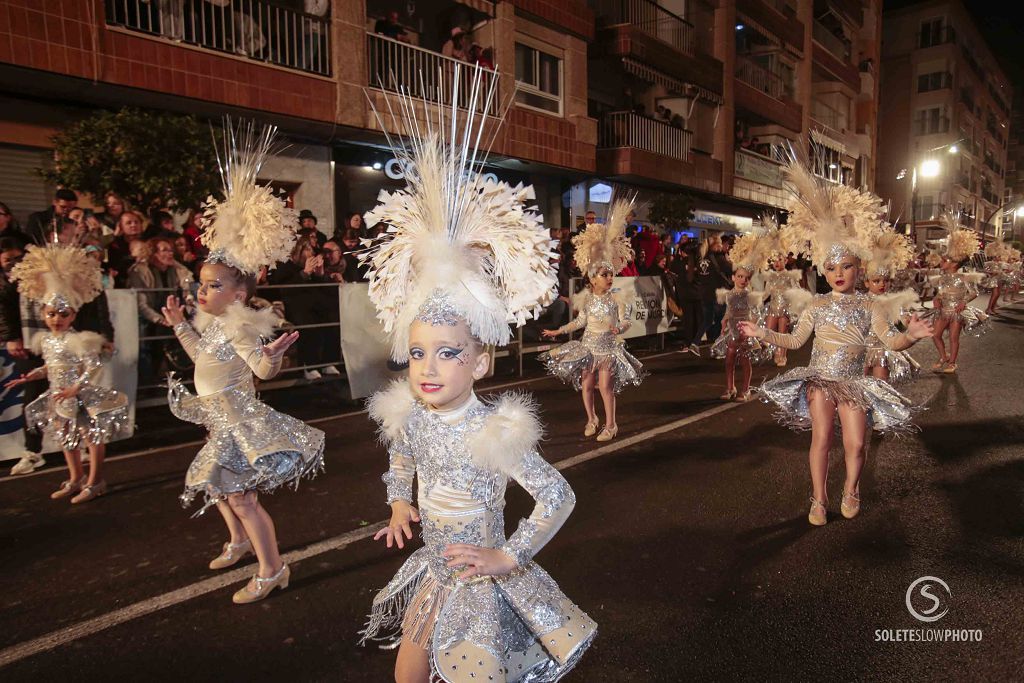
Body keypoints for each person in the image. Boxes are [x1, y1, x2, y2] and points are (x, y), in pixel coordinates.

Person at [358, 76, 594, 682]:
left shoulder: (495, 429)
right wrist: (396, 503)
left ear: (480, 361)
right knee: (406, 675)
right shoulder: (411, 417)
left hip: (477, 579)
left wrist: (507, 554)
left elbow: (557, 495)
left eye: (446, 353)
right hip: (433, 570)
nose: (428, 368)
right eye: (417, 353)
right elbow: (403, 461)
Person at [161, 123, 324, 605]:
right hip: (217, 416)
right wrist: (179, 326)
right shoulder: (213, 324)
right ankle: (236, 542)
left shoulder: (239, 324)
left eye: (212, 286)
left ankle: (272, 568)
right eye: (201, 283)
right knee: (222, 489)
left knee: (242, 497)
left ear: (240, 293)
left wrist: (271, 358)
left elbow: (261, 371)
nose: (201, 292)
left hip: (236, 420)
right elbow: (201, 361)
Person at [739, 159, 933, 526]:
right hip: (820, 382)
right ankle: (818, 498)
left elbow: (890, 342)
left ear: (858, 268)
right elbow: (795, 339)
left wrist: (910, 335)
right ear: (822, 271)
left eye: (846, 266)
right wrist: (762, 332)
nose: (839, 274)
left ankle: (851, 489)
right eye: (831, 268)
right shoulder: (817, 304)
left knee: (857, 444)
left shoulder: (870, 304)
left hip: (854, 384)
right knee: (822, 440)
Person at [6, 243, 129, 503]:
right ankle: (75, 478)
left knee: (90, 437)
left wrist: (77, 387)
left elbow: (93, 366)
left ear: (73, 315)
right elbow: (51, 367)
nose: (57, 319)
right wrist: (32, 375)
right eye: (51, 314)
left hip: (79, 396)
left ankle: (95, 481)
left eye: (63, 314)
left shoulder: (81, 340)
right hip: (58, 396)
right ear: (43, 314)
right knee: (66, 438)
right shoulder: (46, 341)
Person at [541, 198, 645, 442]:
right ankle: (591, 419)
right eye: (604, 275)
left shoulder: (617, 299)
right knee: (586, 386)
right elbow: (580, 323)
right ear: (592, 279)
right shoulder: (586, 298)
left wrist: (618, 327)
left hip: (608, 348)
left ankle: (611, 425)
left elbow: (626, 322)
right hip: (587, 347)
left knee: (605, 387)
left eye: (610, 274)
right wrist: (559, 332)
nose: (609, 278)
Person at [267, 235, 341, 380]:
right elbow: (284, 290)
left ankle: (327, 362)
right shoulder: (285, 266)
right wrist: (305, 273)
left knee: (332, 318)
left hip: (316, 304)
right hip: (295, 306)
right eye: (307, 248)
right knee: (308, 322)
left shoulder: (311, 266)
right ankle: (309, 365)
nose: (311, 252)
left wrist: (320, 274)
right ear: (298, 251)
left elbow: (323, 290)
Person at [710, 231, 770, 401]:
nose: (743, 280)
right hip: (732, 331)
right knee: (728, 362)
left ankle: (746, 389)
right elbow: (729, 311)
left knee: (744, 361)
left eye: (746, 278)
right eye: (740, 276)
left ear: (749, 280)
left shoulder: (749, 295)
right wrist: (723, 322)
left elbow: (756, 314)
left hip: (744, 333)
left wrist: (749, 328)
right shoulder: (729, 295)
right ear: (733, 277)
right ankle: (730, 388)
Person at [128, 237, 194, 383]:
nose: (170, 254)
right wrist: (160, 320)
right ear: (153, 253)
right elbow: (142, 304)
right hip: (151, 317)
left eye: (171, 250)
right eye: (164, 250)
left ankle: (182, 376)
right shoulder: (139, 271)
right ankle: (149, 381)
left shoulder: (175, 269)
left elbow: (186, 279)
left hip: (173, 315)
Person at [929, 215, 988, 374]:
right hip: (943, 311)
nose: (942, 262)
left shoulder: (964, 277)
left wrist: (964, 302)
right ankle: (943, 356)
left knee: (954, 338)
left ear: (954, 263)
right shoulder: (941, 278)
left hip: (957, 312)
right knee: (935, 335)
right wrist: (936, 299)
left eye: (945, 260)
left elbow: (975, 292)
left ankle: (952, 362)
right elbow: (940, 294)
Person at [862, 230, 921, 384]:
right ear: (867, 282)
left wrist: (908, 321)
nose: (882, 284)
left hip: (883, 348)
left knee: (881, 384)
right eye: (876, 280)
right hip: (860, 348)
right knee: (857, 384)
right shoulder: (860, 301)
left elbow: (901, 315)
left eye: (886, 280)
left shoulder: (893, 301)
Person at [107, 210, 147, 287]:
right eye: (129, 223)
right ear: (121, 226)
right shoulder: (114, 246)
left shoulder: (148, 243)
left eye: (136, 222)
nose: (133, 225)